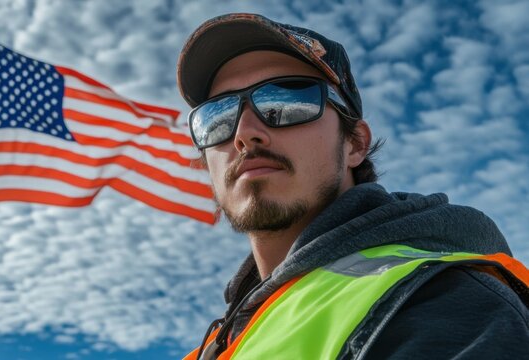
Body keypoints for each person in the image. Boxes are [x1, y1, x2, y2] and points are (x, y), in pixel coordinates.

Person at [176, 13, 529, 360]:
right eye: (217, 117)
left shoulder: (441, 302)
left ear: (355, 144)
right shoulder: (216, 346)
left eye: (284, 102)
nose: (243, 133)